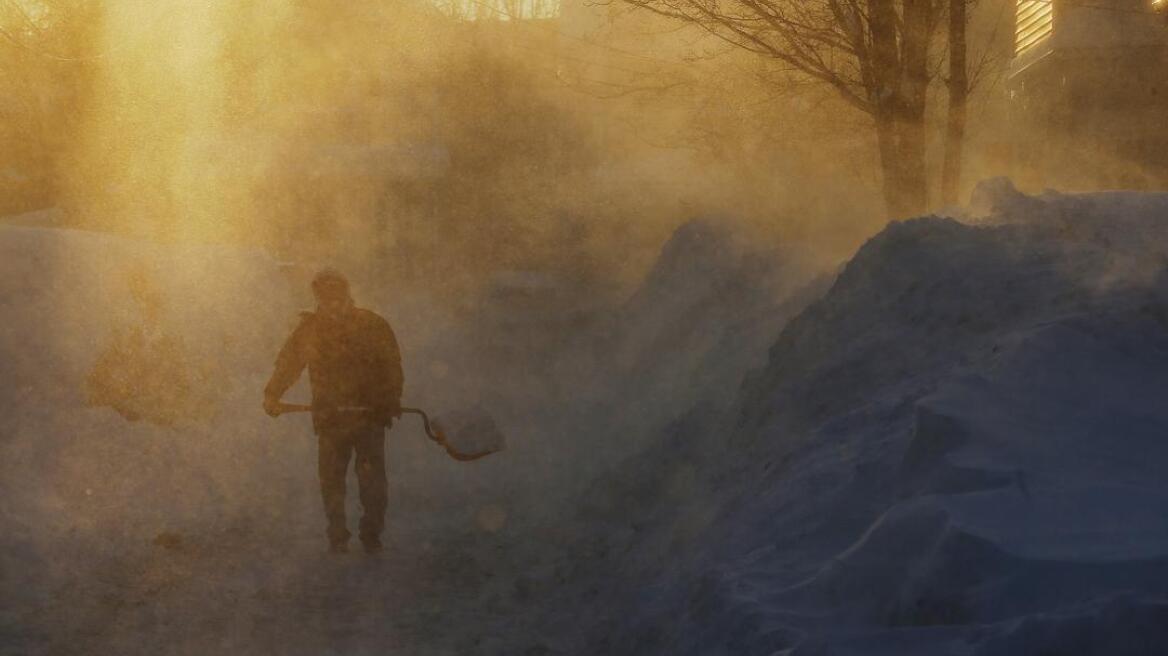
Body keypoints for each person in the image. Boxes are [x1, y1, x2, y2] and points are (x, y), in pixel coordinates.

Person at [263, 268, 404, 554]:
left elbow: (392, 368)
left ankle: (371, 535)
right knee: (332, 483)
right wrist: (273, 393)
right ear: (318, 298)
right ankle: (337, 535)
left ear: (347, 294)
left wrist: (389, 399)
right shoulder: (310, 330)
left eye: (337, 295)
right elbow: (288, 364)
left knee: (372, 485)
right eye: (326, 297)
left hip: (369, 418)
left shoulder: (372, 325)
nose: (333, 303)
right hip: (330, 420)